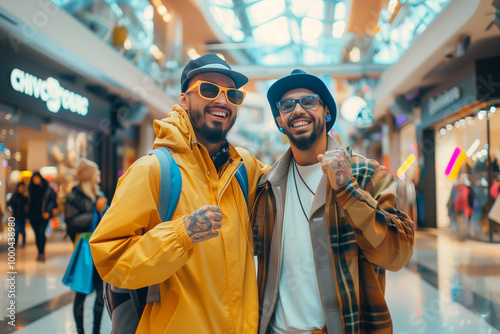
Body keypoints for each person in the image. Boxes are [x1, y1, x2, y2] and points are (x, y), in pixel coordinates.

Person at [89, 53, 268, 333]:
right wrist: (181, 234)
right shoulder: (153, 170)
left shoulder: (244, 168)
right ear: (184, 100)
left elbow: (295, 178)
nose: (222, 101)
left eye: (232, 95)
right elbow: (110, 259)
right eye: (209, 90)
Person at [251, 69, 415, 333]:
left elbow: (398, 254)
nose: (298, 110)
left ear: (326, 112)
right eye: (287, 105)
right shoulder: (267, 186)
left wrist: (347, 190)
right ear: (280, 120)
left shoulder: (369, 176)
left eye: (309, 101)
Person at [64, 158, 108, 334]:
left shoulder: (99, 194)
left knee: (101, 292)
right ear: (89, 175)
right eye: (96, 171)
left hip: (99, 249)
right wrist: (95, 211)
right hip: (83, 251)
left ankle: (96, 330)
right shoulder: (74, 196)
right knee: (81, 292)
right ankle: (80, 330)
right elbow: (71, 222)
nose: (99, 174)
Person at [28, 171, 57, 262]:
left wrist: (48, 211)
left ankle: (42, 253)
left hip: (44, 215)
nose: (36, 180)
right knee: (37, 235)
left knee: (41, 233)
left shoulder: (47, 188)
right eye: (34, 178)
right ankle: (39, 252)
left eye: (37, 178)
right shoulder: (30, 189)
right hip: (33, 215)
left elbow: (53, 202)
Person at [8, 182, 29, 247]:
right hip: (16, 215)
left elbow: (27, 205)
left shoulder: (24, 197)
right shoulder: (14, 196)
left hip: (22, 216)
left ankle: (23, 242)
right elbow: (9, 204)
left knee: (22, 230)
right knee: (16, 230)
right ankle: (15, 242)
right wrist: (11, 211)